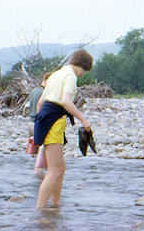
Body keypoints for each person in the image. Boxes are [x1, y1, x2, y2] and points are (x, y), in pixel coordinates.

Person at [33, 49, 93, 208]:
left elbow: (40, 102)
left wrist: (40, 124)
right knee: (54, 170)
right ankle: (40, 210)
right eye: (84, 71)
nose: (82, 74)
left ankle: (55, 205)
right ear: (83, 66)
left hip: (44, 120)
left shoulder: (56, 74)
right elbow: (66, 102)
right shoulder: (70, 76)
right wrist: (84, 120)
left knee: (60, 168)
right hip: (54, 122)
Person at [23, 72, 52, 176]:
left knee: (32, 151)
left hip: (30, 122)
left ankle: (31, 174)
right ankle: (40, 175)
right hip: (38, 123)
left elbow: (26, 106)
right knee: (42, 149)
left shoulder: (34, 90)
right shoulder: (45, 92)